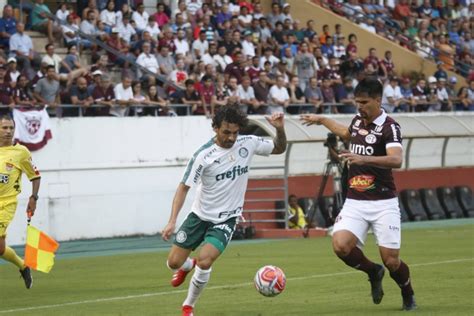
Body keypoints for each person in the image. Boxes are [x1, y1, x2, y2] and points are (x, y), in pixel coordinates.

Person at [300, 77, 417, 311]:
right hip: (355, 201)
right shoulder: (357, 121)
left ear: (378, 100)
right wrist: (322, 119)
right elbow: (345, 133)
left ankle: (408, 293)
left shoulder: (389, 126)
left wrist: (364, 158)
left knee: (392, 261)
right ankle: (373, 271)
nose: (360, 107)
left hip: (384, 202)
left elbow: (396, 159)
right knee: (340, 246)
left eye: (364, 102)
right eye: (357, 102)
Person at [162, 105, 287, 316]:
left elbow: (279, 148)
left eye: (235, 132)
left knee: (205, 260)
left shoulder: (248, 143)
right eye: (226, 132)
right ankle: (186, 265)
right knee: (173, 262)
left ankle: (188, 307)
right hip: (199, 216)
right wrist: (172, 221)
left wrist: (280, 129)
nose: (231, 137)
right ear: (215, 128)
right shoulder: (203, 156)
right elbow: (183, 187)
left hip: (226, 219)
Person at [0, 115, 40, 289]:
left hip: (6, 204)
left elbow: (35, 176)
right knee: (0, 249)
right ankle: (23, 266)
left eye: (11, 128)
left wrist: (34, 197)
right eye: (4, 128)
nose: (8, 132)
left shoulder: (21, 152)